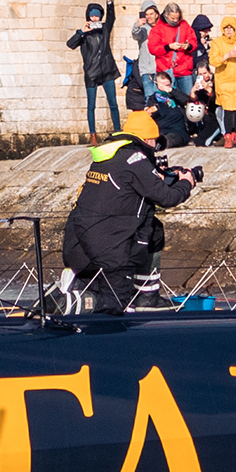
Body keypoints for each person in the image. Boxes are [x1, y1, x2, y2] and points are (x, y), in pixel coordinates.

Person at [60, 108, 198, 322]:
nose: (156, 146)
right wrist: (186, 183)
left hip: (79, 243)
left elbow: (129, 192)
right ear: (147, 138)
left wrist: (156, 176)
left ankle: (146, 296)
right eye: (155, 141)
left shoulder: (109, 155)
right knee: (117, 302)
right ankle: (70, 300)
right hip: (109, 247)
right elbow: (167, 198)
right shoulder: (134, 158)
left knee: (154, 229)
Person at [68, 3, 121, 138]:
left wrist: (109, 1)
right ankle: (93, 134)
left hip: (107, 70)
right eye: (92, 16)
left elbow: (111, 17)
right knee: (91, 105)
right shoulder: (84, 33)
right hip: (92, 73)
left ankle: (118, 131)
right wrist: (81, 33)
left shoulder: (104, 29)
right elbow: (70, 44)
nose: (95, 19)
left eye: (97, 16)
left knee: (113, 103)